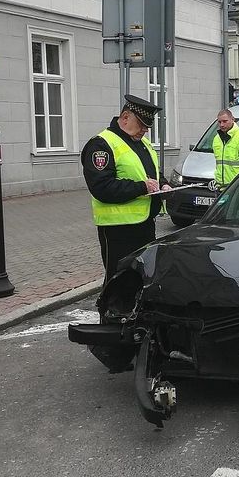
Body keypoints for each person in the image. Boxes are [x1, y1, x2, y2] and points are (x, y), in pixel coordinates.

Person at [82, 95, 170, 314]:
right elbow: (102, 188)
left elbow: (153, 175)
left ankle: (134, 327)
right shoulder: (101, 144)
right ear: (125, 118)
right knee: (117, 283)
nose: (145, 130)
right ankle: (110, 330)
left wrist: (165, 185)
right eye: (142, 125)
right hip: (117, 230)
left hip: (143, 224)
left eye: (148, 126)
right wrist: (142, 187)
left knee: (139, 281)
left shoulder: (141, 143)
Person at [211, 109, 239, 188]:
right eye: (219, 122)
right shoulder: (217, 139)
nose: (221, 124)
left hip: (237, 187)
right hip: (220, 187)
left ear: (232, 119)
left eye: (225, 121)